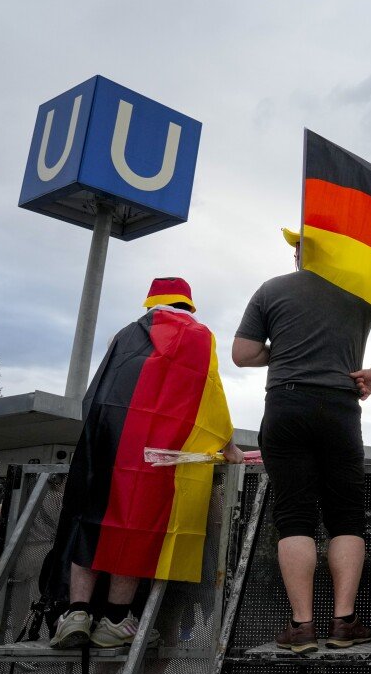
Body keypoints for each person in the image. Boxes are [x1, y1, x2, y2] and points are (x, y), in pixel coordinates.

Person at [233, 228, 371, 653]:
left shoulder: (271, 290)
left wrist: (282, 351)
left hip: (285, 405)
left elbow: (242, 354)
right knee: (345, 515)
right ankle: (344, 623)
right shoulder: (359, 289)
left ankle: (301, 628)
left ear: (301, 253)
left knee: (294, 516)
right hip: (340, 409)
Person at [48, 278, 237, 649]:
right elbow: (209, 395)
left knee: (91, 521)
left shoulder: (123, 335)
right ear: (187, 305)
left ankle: (77, 613)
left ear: (152, 303)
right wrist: (228, 446)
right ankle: (116, 620)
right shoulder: (199, 336)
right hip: (156, 456)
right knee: (134, 529)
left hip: (105, 443)